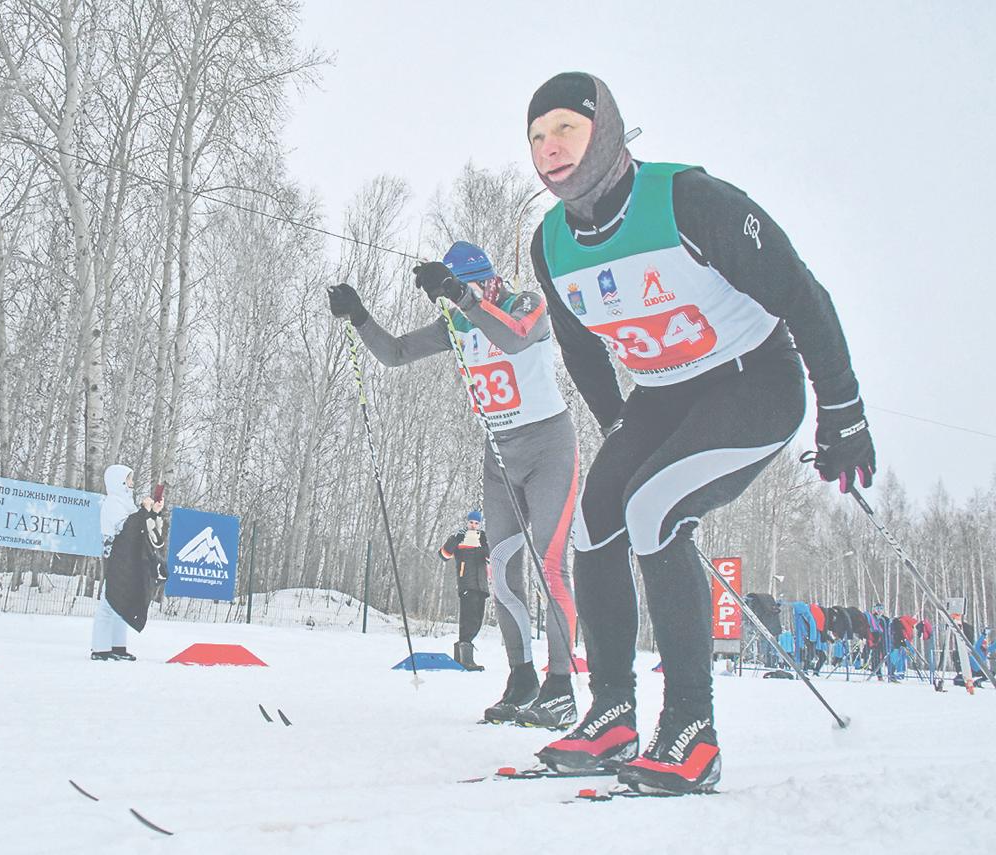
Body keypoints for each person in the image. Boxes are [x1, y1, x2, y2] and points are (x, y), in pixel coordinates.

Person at [521, 72, 876, 793]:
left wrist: (844, 409)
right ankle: (613, 712)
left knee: (652, 507)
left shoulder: (689, 201)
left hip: (754, 379)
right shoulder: (551, 243)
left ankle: (692, 729)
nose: (550, 148)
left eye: (567, 128)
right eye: (535, 136)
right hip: (662, 392)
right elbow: (583, 348)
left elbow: (803, 292)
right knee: (595, 519)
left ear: (607, 130)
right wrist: (619, 425)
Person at [328, 240, 582, 728]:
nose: (472, 295)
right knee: (503, 567)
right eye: (463, 289)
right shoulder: (457, 323)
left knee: (551, 566)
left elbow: (513, 338)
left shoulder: (524, 304)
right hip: (501, 453)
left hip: (549, 446)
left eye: (475, 285)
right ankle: (522, 677)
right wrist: (360, 316)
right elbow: (396, 353)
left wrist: (460, 295)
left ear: (491, 280)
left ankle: (561, 687)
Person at [91, 464, 168, 660]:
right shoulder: (113, 503)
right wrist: (143, 510)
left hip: (128, 559)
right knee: (108, 603)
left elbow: (142, 528)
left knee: (122, 602)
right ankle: (100, 649)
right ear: (119, 481)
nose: (132, 483)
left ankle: (118, 647)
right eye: (129, 479)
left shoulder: (126, 503)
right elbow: (125, 529)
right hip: (117, 559)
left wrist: (153, 513)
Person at [439, 509, 490, 671]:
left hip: (481, 585)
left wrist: (485, 543)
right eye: (471, 523)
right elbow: (444, 555)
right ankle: (465, 658)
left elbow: (491, 557)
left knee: (477, 619)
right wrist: (455, 539)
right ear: (466, 522)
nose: (473, 526)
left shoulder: (483, 537)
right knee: (468, 619)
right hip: (467, 582)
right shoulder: (459, 537)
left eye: (476, 523)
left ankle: (461, 654)